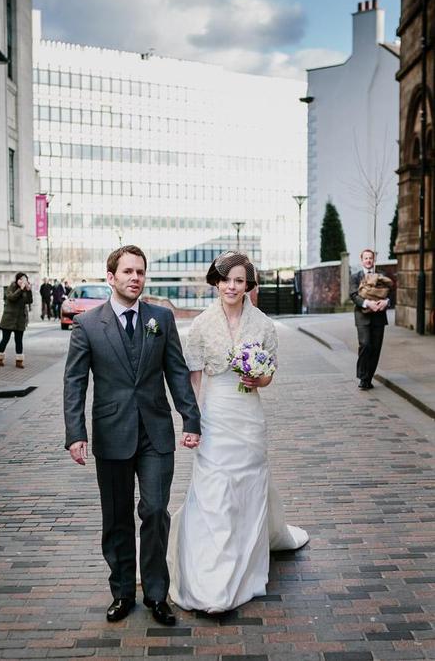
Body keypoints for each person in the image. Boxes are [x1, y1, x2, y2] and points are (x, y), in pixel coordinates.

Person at [63, 245, 201, 625]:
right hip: (111, 434)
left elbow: (176, 372)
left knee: (155, 511)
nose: (135, 278)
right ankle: (123, 592)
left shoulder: (161, 318)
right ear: (111, 277)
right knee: (117, 516)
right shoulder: (88, 324)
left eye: (140, 271)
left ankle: (157, 594)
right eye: (127, 271)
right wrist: (75, 433)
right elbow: (74, 382)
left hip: (155, 433)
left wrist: (191, 419)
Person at [167, 251, 308, 614]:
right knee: (214, 490)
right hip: (214, 414)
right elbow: (193, 376)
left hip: (248, 414)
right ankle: (211, 572)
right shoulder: (200, 325)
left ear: (248, 285)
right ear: (216, 282)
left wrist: (258, 376)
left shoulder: (262, 325)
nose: (232, 286)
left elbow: (269, 375)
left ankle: (245, 564)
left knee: (247, 486)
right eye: (227, 279)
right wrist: (192, 421)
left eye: (240, 281)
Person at [350, 249, 391, 390]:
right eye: (366, 258)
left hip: (379, 318)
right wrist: (368, 304)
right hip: (362, 317)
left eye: (371, 258)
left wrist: (386, 302)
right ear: (362, 260)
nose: (368, 260)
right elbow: (353, 295)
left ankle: (368, 378)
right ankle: (362, 377)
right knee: (365, 345)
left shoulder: (382, 276)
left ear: (374, 260)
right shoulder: (356, 277)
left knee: (375, 349)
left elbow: (390, 293)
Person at [0, 272, 33, 369]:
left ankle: (19, 361)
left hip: (20, 319)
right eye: (20, 279)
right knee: (5, 339)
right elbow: (11, 298)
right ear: (17, 280)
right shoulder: (11, 287)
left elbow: (29, 301)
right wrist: (20, 289)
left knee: (19, 341)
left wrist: (29, 291)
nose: (22, 281)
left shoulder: (25, 290)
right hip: (9, 318)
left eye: (24, 280)